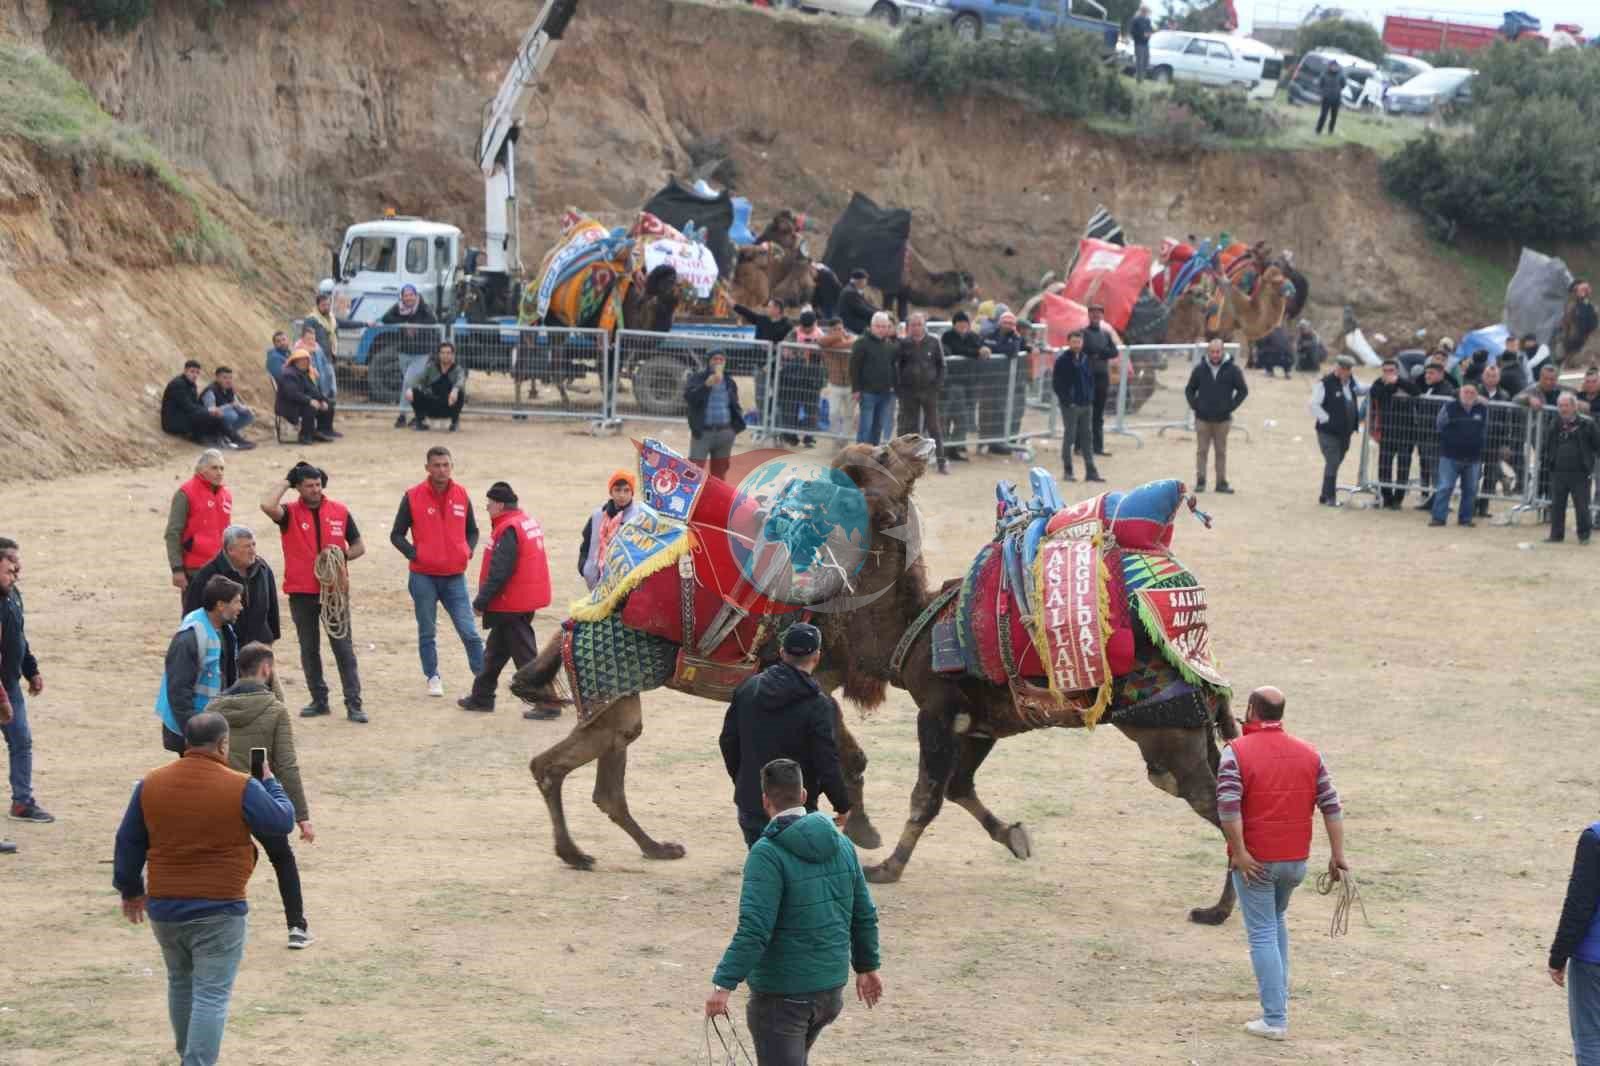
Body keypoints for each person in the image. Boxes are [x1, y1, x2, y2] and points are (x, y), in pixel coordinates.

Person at [113, 711, 296, 1066]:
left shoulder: (151, 783)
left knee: (180, 982)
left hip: (165, 906)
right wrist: (271, 782)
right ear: (223, 744)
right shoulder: (240, 785)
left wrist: (130, 889)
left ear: (186, 743)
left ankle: (188, 1055)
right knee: (211, 994)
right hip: (219, 907)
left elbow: (129, 840)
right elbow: (281, 821)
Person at [705, 757, 882, 1066]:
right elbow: (863, 912)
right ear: (803, 795)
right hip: (829, 991)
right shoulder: (842, 845)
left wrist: (723, 985)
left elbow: (755, 930)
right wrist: (866, 967)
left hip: (783, 996)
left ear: (764, 800)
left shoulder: (766, 854)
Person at [1216, 686, 1347, 1042]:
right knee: (1275, 923)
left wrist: (1240, 853)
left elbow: (1228, 807)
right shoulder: (1309, 753)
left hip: (1256, 861)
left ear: (1252, 711)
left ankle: (1274, 1018)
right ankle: (1279, 1005)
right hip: (1295, 862)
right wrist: (1338, 856)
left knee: (1261, 933)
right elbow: (1331, 806)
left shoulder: (1235, 753)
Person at [206, 642, 316, 949]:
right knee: (282, 858)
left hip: (220, 797)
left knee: (221, 861)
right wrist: (302, 816)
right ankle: (296, 926)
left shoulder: (213, 708)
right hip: (256, 794)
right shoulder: (275, 710)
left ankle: (216, 925)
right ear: (266, 669)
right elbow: (286, 765)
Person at [719, 623, 851, 848]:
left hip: (752, 803)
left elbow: (728, 741)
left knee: (764, 869)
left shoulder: (748, 688)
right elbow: (826, 761)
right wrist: (843, 805)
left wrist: (746, 781)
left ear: (782, 653)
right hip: (797, 810)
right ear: (817, 657)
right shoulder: (819, 705)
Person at [260, 463, 367, 723]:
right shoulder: (289, 514)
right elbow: (267, 505)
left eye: (318, 484)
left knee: (343, 647)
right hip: (302, 592)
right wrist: (287, 480)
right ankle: (319, 700)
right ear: (298, 488)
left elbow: (359, 546)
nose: (315, 490)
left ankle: (354, 703)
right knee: (309, 649)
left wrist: (341, 556)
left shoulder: (340, 511)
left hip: (334, 592)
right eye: (309, 485)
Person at [390, 446, 483, 696]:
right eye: (437, 465)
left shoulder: (462, 494)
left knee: (469, 631)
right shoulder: (412, 496)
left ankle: (483, 679)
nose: (442, 470)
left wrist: (467, 550)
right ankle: (432, 676)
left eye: (446, 465)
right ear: (427, 468)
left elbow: (472, 530)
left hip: (454, 577)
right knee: (427, 631)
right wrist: (415, 554)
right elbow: (396, 535)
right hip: (423, 577)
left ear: (452, 466)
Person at [458, 482, 553, 718]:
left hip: (512, 602)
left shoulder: (508, 528)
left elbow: (500, 571)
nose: (487, 508)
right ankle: (482, 697)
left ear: (499, 505)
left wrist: (481, 601)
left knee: (526, 655)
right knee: (495, 653)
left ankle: (548, 702)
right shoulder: (523, 522)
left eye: (489, 504)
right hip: (522, 599)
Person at [156, 575, 243, 754]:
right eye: (236, 602)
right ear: (220, 605)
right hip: (195, 733)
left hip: (211, 727)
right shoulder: (188, 639)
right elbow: (179, 692)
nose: (240, 608)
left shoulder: (224, 630)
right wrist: (195, 736)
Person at [0, 542, 51, 828]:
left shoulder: (12, 595)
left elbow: (19, 637)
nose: (16, 572)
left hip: (9, 685)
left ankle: (22, 802)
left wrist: (31, 670)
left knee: (21, 742)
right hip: (2, 690)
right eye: (10, 567)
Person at [1548, 816, 1600, 1065]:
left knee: (1591, 1038)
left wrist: (1558, 956)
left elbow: (1579, 904)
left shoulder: (1595, 838)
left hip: (1593, 959)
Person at [183, 526, 279, 649]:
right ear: (230, 550)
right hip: (224, 646)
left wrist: (271, 636)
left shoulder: (262, 568)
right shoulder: (208, 574)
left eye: (253, 545)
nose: (253, 551)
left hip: (260, 643)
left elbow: (272, 606)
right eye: (246, 547)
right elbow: (192, 611)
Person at [165, 449, 233, 610]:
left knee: (222, 618)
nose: (219, 472)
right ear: (201, 470)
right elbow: (173, 533)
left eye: (222, 468)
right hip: (195, 570)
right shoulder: (186, 493)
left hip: (221, 567)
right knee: (194, 617)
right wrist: (177, 569)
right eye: (214, 468)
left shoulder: (226, 494)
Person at [1185, 337, 1248, 493]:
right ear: (1208, 352)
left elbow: (1243, 390)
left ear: (1223, 351)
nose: (1215, 355)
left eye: (1218, 351)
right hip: (1202, 419)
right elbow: (1189, 390)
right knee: (1202, 451)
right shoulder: (1199, 369)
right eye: (1212, 352)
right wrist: (1196, 406)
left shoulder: (1233, 370)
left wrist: (1231, 406)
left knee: (1221, 452)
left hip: (1222, 420)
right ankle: (1201, 481)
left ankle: (1221, 483)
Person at [1541, 393, 1600, 545]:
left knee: (1582, 506)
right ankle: (1556, 535)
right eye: (1560, 406)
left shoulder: (1588, 424)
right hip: (1558, 472)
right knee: (1557, 505)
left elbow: (1597, 445)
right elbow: (1547, 445)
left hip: (1580, 472)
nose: (1563, 409)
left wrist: (1590, 465)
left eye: (1566, 405)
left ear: (1574, 407)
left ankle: (1584, 536)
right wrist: (1549, 461)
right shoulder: (1555, 424)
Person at [1429, 382, 1488, 528]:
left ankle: (1465, 519)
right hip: (1450, 456)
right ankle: (1438, 518)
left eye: (1472, 393)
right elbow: (1439, 425)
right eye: (1466, 392)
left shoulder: (1482, 409)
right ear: (1460, 393)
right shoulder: (1449, 407)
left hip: (1473, 457)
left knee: (1471, 489)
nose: (1468, 395)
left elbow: (1485, 429)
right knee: (1445, 487)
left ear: (1477, 395)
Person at [1309, 355, 1365, 506]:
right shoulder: (1325, 383)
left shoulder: (1351, 382)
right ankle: (1329, 497)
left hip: (1345, 433)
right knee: (1333, 461)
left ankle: (1324, 494)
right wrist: (1327, 420)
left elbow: (1360, 390)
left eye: (1348, 370)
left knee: (1336, 461)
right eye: (1343, 369)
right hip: (1328, 432)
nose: (1346, 372)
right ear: (1338, 368)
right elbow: (1314, 405)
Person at [895, 313, 947, 474]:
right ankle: (906, 463)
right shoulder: (903, 344)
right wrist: (899, 389)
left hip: (929, 391)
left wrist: (937, 386)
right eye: (913, 325)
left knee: (933, 427)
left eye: (919, 324)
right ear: (908, 327)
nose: (916, 327)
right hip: (909, 391)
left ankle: (941, 462)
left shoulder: (933, 341)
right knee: (909, 427)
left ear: (924, 325)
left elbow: (942, 366)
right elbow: (898, 366)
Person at [383, 284, 439, 428]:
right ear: (402, 296)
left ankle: (402, 414)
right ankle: (418, 415)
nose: (408, 298)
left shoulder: (423, 306)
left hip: (421, 352)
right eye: (406, 295)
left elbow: (432, 320)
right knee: (413, 385)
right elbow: (386, 318)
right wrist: (404, 323)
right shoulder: (399, 307)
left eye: (411, 295)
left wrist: (414, 324)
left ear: (416, 295)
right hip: (404, 351)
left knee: (408, 381)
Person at [1368, 357, 1421, 509]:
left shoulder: (1405, 382)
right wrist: (1391, 386)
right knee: (1384, 468)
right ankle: (1387, 497)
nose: (1388, 373)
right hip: (1387, 434)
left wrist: (1397, 382)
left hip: (1407, 434)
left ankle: (1398, 499)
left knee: (1403, 468)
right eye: (1385, 371)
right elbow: (1377, 394)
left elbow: (1416, 391)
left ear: (1397, 371)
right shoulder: (1378, 383)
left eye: (1391, 371)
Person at [685, 351, 747, 481]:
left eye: (721, 360)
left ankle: (714, 500)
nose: (718, 362)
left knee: (719, 475)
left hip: (725, 433)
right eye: (715, 359)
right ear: (709, 361)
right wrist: (706, 385)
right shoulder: (698, 378)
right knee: (694, 472)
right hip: (703, 433)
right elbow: (690, 398)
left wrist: (733, 429)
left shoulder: (729, 382)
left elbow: (735, 405)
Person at [1051, 330, 1102, 483]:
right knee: (1070, 437)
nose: (1077, 345)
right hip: (1071, 406)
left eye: (1079, 342)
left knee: (1087, 438)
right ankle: (1068, 470)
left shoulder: (1085, 358)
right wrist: (1068, 401)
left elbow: (1090, 380)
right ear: (1068, 342)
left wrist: (1090, 397)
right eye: (1074, 342)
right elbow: (1057, 384)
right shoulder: (1062, 360)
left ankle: (1091, 471)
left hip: (1086, 404)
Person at [979, 310, 1033, 453]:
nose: (1007, 326)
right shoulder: (989, 334)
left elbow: (1012, 351)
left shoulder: (1015, 337)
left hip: (1007, 381)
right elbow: (983, 345)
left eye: (1011, 323)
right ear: (1000, 323)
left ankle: (1000, 443)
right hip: (989, 380)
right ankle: (983, 441)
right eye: (1005, 322)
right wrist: (997, 349)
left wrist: (994, 349)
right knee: (987, 412)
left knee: (1003, 412)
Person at [578, 470, 639, 591]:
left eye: (626, 490)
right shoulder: (597, 516)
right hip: (596, 583)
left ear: (632, 493)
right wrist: (584, 568)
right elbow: (586, 545)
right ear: (611, 492)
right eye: (617, 490)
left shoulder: (639, 518)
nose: (622, 495)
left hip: (628, 586)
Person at [1411, 358, 1457, 510]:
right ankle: (1435, 500)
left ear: (1441, 374)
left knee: (1439, 472)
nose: (1427, 376)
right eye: (1426, 373)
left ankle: (1441, 503)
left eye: (1431, 373)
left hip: (1435, 438)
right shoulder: (1431, 388)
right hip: (1426, 436)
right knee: (1434, 471)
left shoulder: (1445, 390)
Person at [1473, 362, 1517, 517]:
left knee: (1490, 477)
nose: (1491, 379)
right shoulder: (1474, 391)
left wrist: (1506, 443)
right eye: (1488, 375)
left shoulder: (1505, 395)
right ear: (1483, 377)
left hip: (1495, 441)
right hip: (1475, 441)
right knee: (1474, 474)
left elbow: (1508, 421)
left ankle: (1483, 507)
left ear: (1499, 378)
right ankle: (1471, 505)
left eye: (1494, 376)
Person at [850, 312, 899, 445]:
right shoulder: (861, 343)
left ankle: (873, 455)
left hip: (885, 393)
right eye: (879, 326)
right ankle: (859, 457)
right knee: (865, 427)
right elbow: (854, 367)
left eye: (885, 326)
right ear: (872, 326)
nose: (882, 329)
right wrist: (856, 389)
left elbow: (893, 366)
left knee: (877, 428)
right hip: (867, 392)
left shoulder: (889, 345)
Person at [939, 311, 982, 461]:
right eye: (960, 324)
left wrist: (981, 351)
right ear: (954, 324)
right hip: (949, 384)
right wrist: (976, 352)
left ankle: (954, 448)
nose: (963, 327)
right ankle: (942, 449)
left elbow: (981, 347)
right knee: (945, 417)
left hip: (968, 384)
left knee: (962, 419)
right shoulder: (947, 336)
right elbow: (955, 349)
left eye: (966, 324)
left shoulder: (974, 337)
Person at [161, 360, 230, 446]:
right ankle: (201, 438)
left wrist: (210, 411)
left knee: (213, 415)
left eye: (197, 373)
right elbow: (188, 407)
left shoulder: (192, 385)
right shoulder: (178, 384)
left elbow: (195, 405)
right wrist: (208, 411)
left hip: (183, 417)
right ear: (185, 371)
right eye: (192, 371)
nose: (195, 375)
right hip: (172, 422)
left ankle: (222, 438)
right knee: (206, 415)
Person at [275, 348, 335, 446]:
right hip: (289, 405)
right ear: (296, 361)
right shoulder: (289, 374)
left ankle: (323, 431)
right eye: (303, 360)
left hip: (300, 401)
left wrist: (322, 400)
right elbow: (292, 394)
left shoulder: (304, 372)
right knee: (310, 408)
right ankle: (305, 435)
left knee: (329, 404)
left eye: (307, 360)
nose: (306, 363)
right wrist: (309, 400)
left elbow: (313, 390)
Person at [1081, 302, 1118, 456]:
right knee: (1083, 414)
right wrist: (1100, 352)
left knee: (1098, 414)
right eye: (1093, 313)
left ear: (1102, 316)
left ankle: (1098, 447)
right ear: (1088, 315)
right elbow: (1086, 349)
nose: (1096, 316)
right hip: (1086, 377)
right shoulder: (1082, 333)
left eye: (1098, 313)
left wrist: (1100, 353)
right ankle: (1080, 446)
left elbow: (1113, 351)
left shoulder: (1106, 334)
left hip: (1102, 376)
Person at [406, 340, 467, 432]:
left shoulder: (458, 369)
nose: (445, 355)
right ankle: (420, 421)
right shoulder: (431, 368)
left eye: (448, 353)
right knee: (413, 392)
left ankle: (454, 423)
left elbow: (461, 381)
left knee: (460, 393)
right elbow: (417, 379)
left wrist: (455, 390)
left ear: (453, 354)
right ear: (438, 354)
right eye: (442, 353)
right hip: (432, 405)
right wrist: (410, 389)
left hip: (449, 405)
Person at [816, 318, 857, 445]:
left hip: (851, 384)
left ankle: (844, 438)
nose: (839, 332)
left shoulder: (849, 339)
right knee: (833, 413)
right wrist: (839, 337)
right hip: (834, 383)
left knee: (849, 414)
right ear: (830, 331)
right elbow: (820, 342)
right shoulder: (825, 340)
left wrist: (839, 339)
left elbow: (854, 342)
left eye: (840, 329)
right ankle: (835, 436)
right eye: (836, 330)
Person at [198, 367, 256, 450]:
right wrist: (230, 406)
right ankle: (218, 437)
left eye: (230, 378)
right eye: (225, 378)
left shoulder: (229, 389)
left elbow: (236, 404)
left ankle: (227, 435)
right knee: (232, 415)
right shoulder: (210, 391)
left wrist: (247, 408)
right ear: (217, 378)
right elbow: (210, 411)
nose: (228, 380)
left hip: (222, 420)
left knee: (248, 415)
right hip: (207, 424)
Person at [1562, 279, 1598, 367]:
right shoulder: (1571, 308)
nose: (1583, 292)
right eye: (1578, 290)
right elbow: (1580, 325)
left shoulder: (1591, 306)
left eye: (1584, 289)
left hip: (1592, 348)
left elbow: (1592, 325)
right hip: (1576, 351)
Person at [837, 269, 878, 336]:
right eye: (865, 280)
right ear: (860, 281)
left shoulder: (852, 290)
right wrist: (878, 314)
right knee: (877, 328)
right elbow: (862, 309)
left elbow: (866, 305)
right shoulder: (850, 292)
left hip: (855, 319)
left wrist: (879, 311)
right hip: (851, 323)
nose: (866, 283)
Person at [1316, 60, 1345, 136]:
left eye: (1336, 66)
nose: (1334, 68)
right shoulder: (1324, 74)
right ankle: (1318, 131)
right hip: (1326, 98)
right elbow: (1320, 85)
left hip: (1336, 98)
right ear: (1329, 66)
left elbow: (1343, 85)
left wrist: (1337, 90)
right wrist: (1323, 94)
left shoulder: (1340, 75)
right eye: (1332, 66)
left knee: (1334, 116)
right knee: (1323, 115)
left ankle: (1330, 131)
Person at [1130, 4, 1154, 82]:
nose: (1146, 13)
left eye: (1146, 11)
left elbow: (1150, 29)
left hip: (1146, 43)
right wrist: (1142, 34)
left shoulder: (1148, 20)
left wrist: (1149, 34)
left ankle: (1140, 76)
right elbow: (1132, 32)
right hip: (1138, 43)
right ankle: (1139, 79)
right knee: (1139, 61)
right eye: (1145, 11)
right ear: (1141, 11)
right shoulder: (1135, 19)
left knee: (1146, 61)